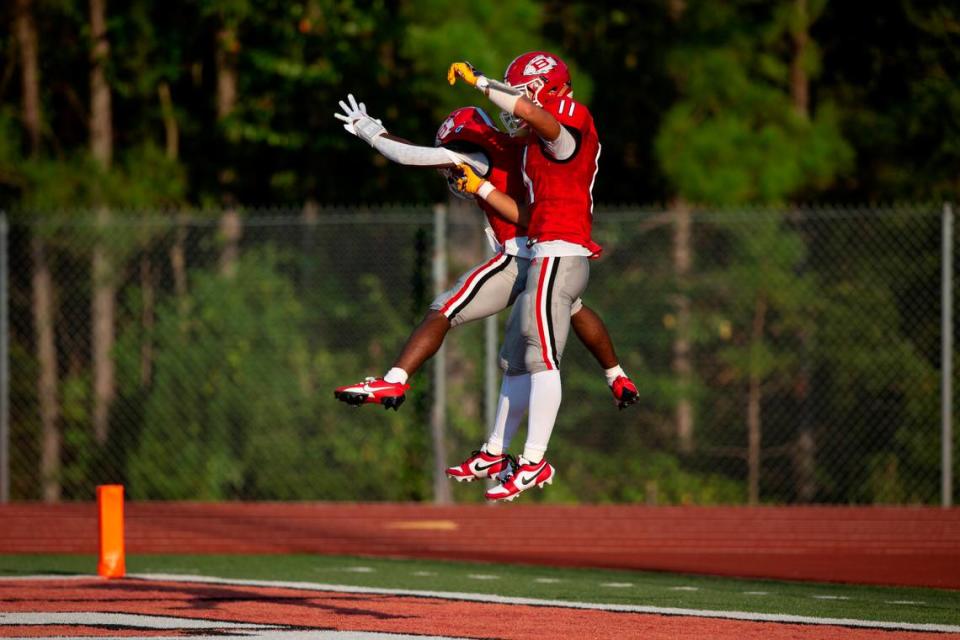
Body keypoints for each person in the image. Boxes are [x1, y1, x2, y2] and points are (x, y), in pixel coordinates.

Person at [332, 95, 637, 489]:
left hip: (519, 257)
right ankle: (611, 378)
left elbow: (412, 156)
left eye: (454, 151)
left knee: (446, 309)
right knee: (568, 311)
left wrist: (372, 132)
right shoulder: (516, 150)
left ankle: (396, 378)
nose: (450, 165)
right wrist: (613, 372)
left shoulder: (479, 155)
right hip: (546, 253)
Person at [448, 51, 604, 501]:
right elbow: (495, 144)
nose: (515, 101)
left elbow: (533, 113)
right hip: (544, 252)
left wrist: (482, 83)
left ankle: (535, 459)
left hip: (560, 251)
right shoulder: (533, 140)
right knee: (516, 360)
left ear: (549, 87)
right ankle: (496, 450)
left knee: (542, 358)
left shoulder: (569, 115)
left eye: (523, 90)